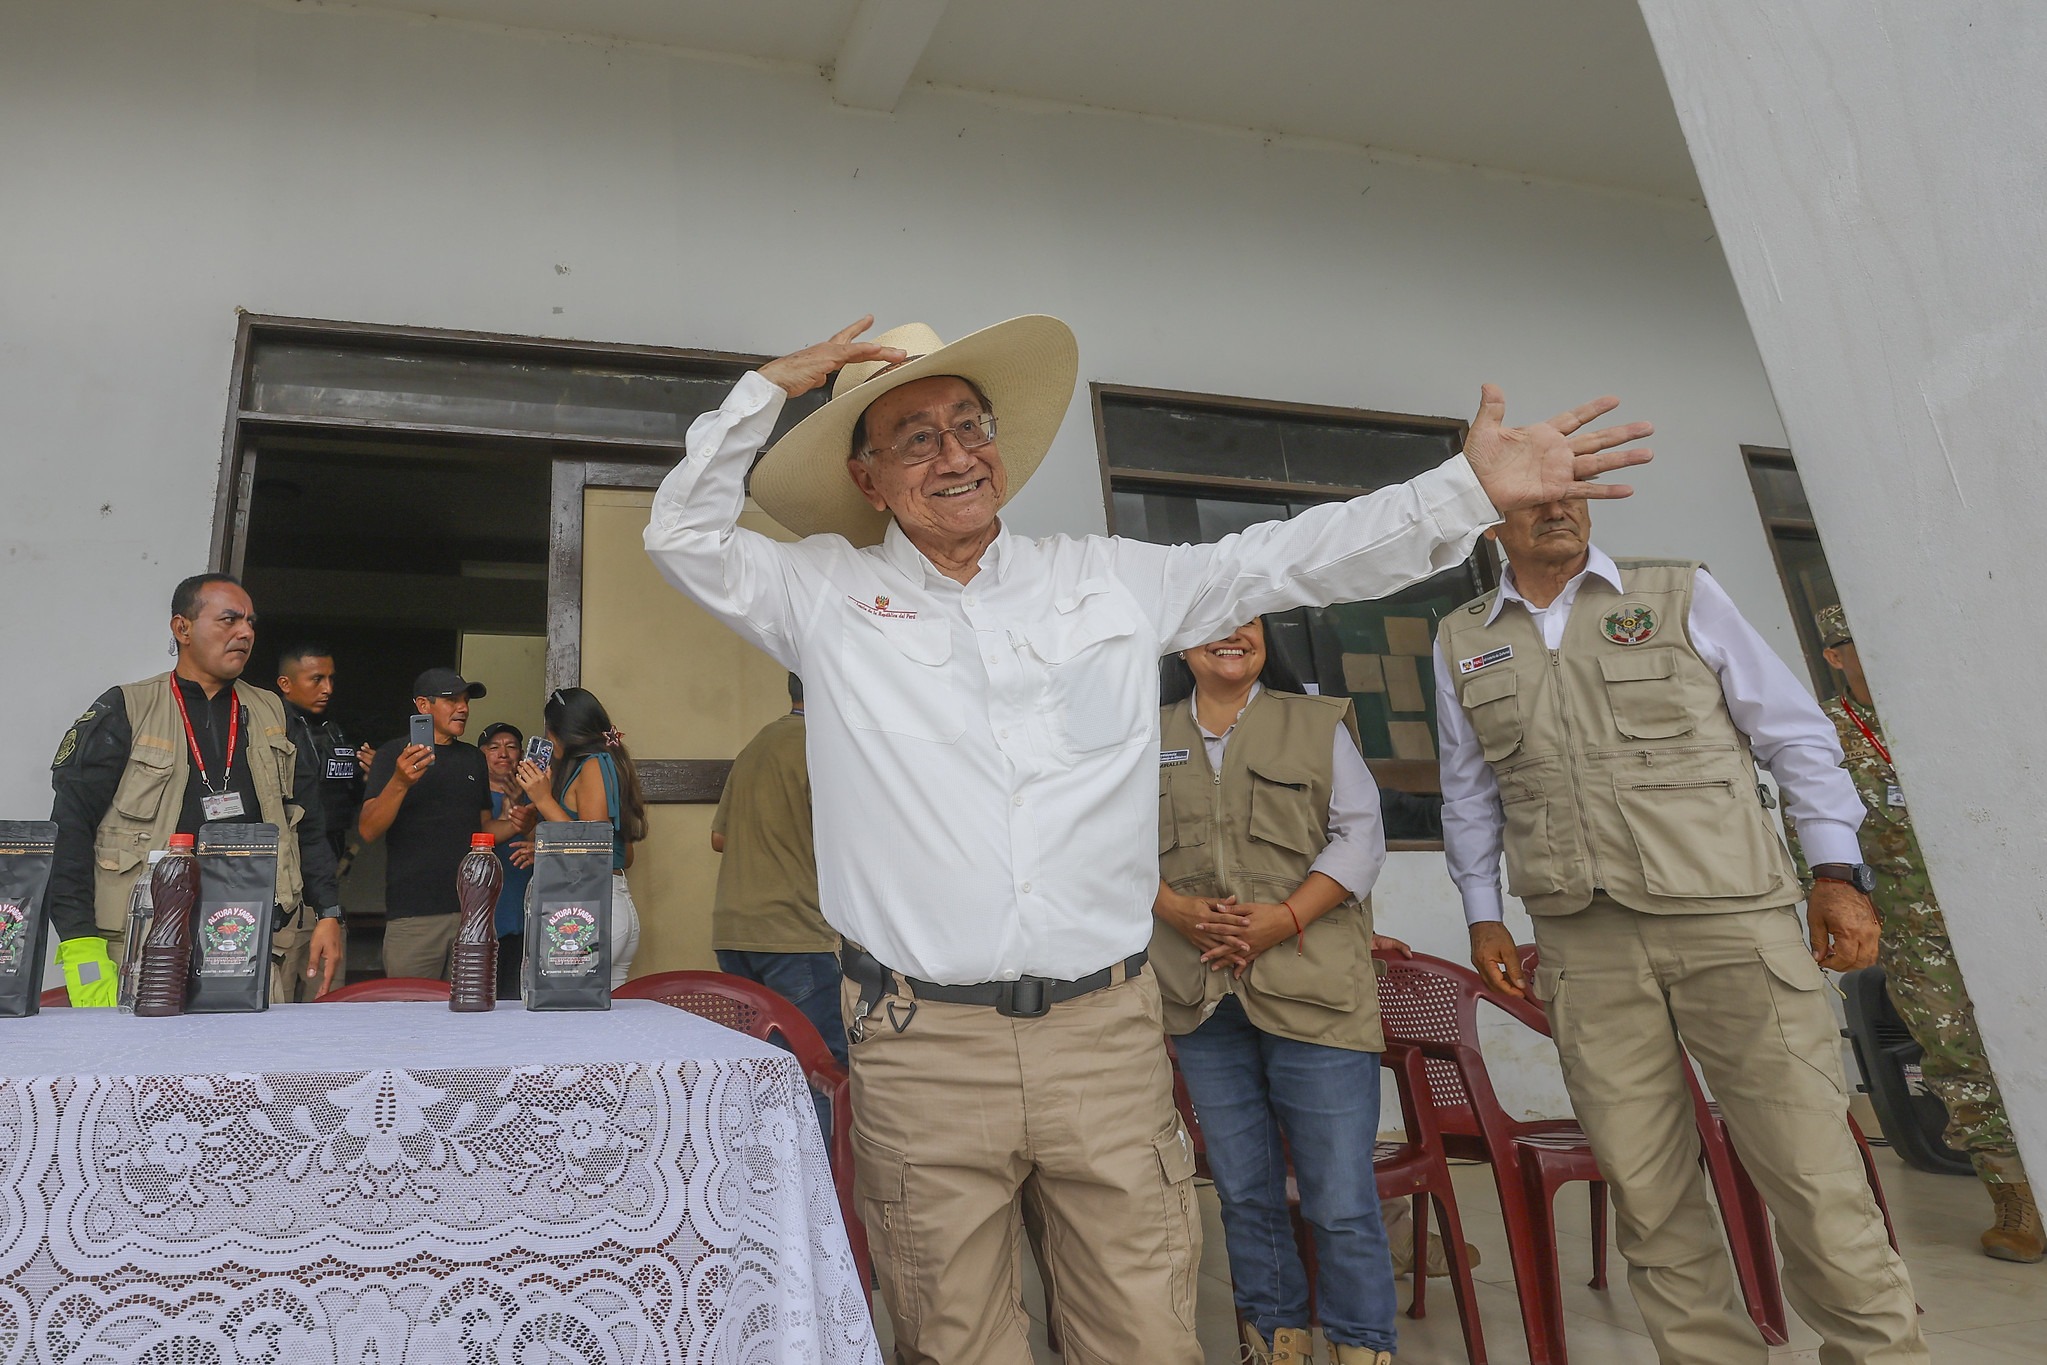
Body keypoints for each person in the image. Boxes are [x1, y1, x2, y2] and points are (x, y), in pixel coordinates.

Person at [640, 311, 1651, 1363]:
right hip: (920, 1043)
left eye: (970, 426)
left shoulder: (1107, 579)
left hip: (1105, 1038)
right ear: (868, 477)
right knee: (952, 1337)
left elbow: (1292, 558)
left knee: (1142, 1335)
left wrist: (1466, 491)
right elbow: (683, 536)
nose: (955, 455)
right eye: (917, 439)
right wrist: (768, 388)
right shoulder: (821, 593)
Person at [1435, 500, 1926, 1363]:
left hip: (1730, 922)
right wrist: (1483, 913)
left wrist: (1836, 872)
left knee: (1812, 1176)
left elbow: (1793, 734)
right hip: (1582, 940)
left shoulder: (1676, 593)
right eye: (1533, 495)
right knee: (1646, 1191)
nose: (1559, 507)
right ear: (1488, 522)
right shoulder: (1461, 637)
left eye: (1572, 489)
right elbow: (1469, 789)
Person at [1152, 617, 1409, 1365]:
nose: (1231, 633)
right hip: (1202, 994)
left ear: (1267, 636)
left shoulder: (1314, 722)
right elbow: (1107, 843)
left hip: (1312, 989)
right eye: (1211, 621)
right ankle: (1275, 1344)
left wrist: (1285, 918)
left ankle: (1363, 1346)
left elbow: (1360, 837)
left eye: (1249, 618)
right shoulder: (1146, 733)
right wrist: (1173, 908)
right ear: (1181, 641)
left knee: (1339, 1196)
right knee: (1244, 1192)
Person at [1795, 605, 2040, 1262]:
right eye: (1854, 644)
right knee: (1957, 1057)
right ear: (1834, 657)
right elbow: (1809, 823)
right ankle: (2015, 1199)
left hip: (2002, 910)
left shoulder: (1946, 709)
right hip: (1912, 928)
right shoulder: (1823, 732)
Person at [47, 573, 345, 1003]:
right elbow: (70, 829)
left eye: (250, 622)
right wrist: (80, 946)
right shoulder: (127, 709)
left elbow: (309, 827)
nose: (245, 632)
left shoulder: (275, 714)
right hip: (140, 947)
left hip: (248, 945)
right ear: (182, 628)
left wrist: (328, 913)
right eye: (229, 620)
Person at [711, 673, 846, 1067]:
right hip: (793, 931)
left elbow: (719, 838)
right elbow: (848, 839)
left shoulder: (756, 745)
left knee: (763, 1067)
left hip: (735, 930)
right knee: (818, 1065)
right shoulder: (824, 748)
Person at [358, 668, 524, 980]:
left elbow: (483, 831)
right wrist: (400, 781)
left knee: (469, 1004)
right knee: (411, 1006)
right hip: (414, 915)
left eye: (466, 701)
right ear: (423, 705)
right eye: (452, 700)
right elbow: (368, 829)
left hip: (471, 913)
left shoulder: (473, 758)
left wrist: (517, 823)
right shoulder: (394, 754)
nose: (463, 708)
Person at [512, 687, 646, 987]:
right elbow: (622, 854)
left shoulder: (594, 765)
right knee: (603, 1013)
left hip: (594, 906)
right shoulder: (606, 763)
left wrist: (543, 799)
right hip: (612, 901)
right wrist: (537, 830)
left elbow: (595, 850)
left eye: (549, 732)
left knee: (565, 1006)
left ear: (561, 732)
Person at [273, 642, 374, 999]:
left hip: (328, 877)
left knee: (328, 997)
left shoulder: (335, 730)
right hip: (282, 884)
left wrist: (368, 777)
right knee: (277, 998)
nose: (327, 688)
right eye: (316, 679)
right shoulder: (270, 730)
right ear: (286, 684)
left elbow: (347, 800)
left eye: (331, 679)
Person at [479, 721, 535, 999]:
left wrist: (520, 808)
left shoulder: (537, 795)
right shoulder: (472, 795)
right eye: (494, 748)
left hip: (527, 913)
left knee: (521, 996)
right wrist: (507, 817)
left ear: (521, 755)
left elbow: (548, 840)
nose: (503, 753)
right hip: (487, 916)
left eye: (511, 747)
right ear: (481, 755)